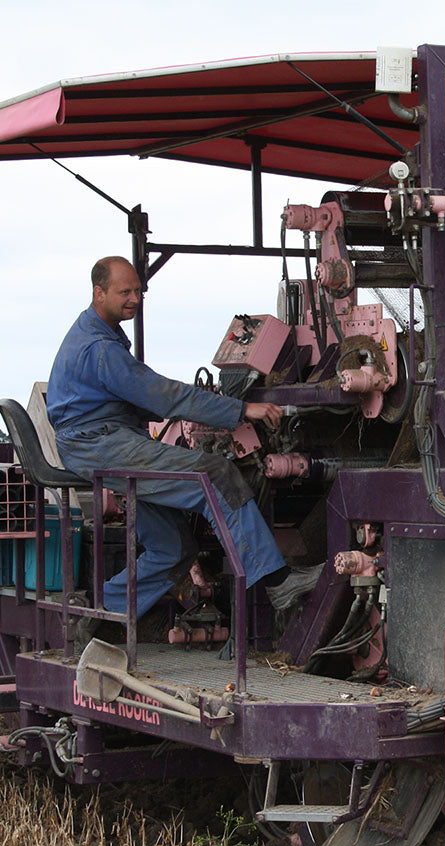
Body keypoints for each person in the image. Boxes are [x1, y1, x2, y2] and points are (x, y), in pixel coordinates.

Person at [46, 255, 323, 646]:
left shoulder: (99, 336)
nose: (134, 299)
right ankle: (278, 584)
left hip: (103, 439)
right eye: (125, 292)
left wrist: (202, 402)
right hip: (98, 445)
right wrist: (240, 409)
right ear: (98, 292)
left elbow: (140, 398)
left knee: (173, 547)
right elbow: (159, 394)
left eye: (138, 291)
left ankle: (100, 609)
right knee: (216, 475)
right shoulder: (99, 349)